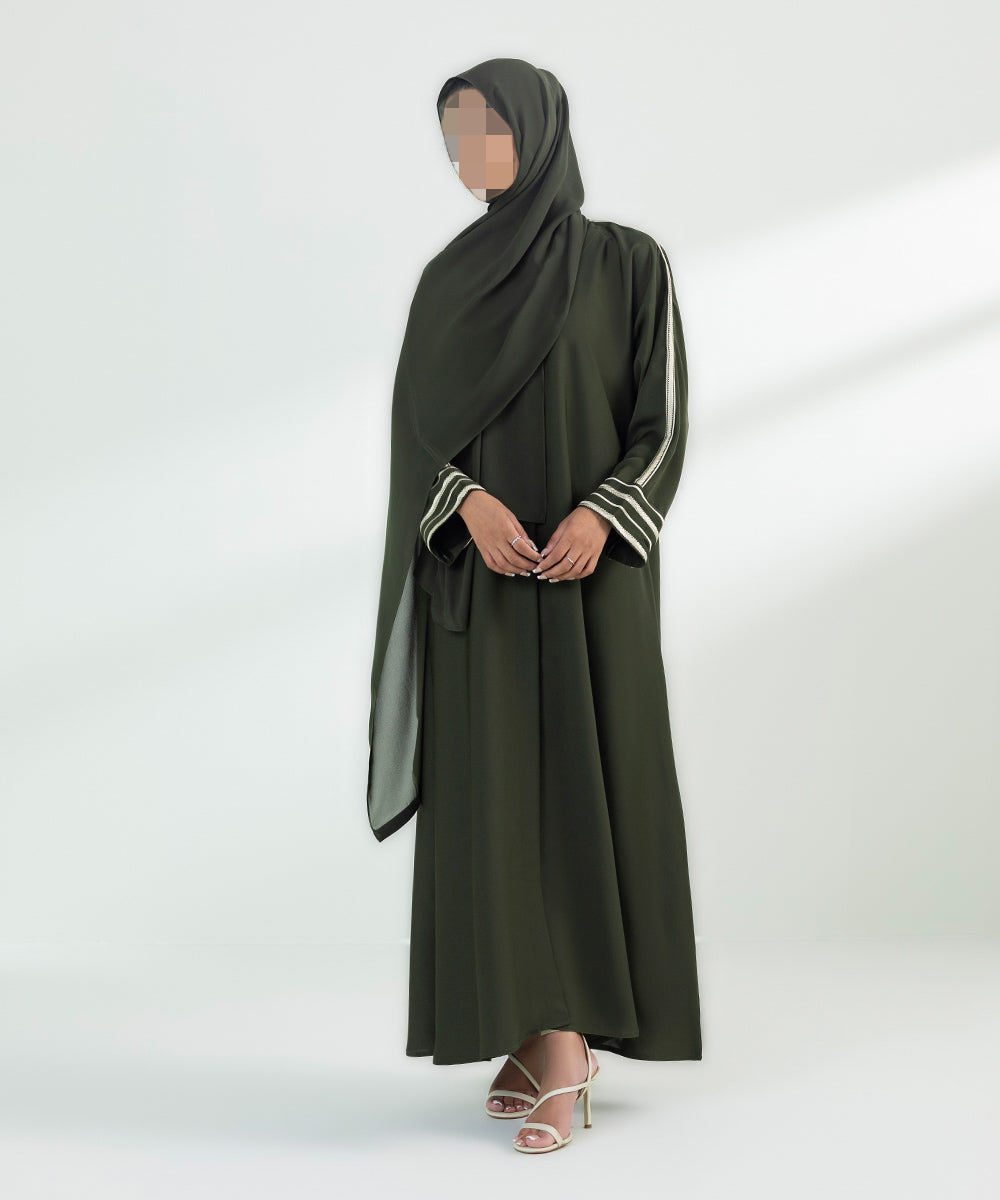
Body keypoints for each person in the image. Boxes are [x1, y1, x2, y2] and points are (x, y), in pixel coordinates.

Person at [366, 57, 701, 1155]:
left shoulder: (627, 264)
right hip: (486, 590)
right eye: (451, 136)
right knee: (500, 805)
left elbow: (661, 421)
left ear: (540, 131)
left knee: (584, 794)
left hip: (591, 584)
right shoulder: (447, 281)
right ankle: (532, 1028)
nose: (464, 155)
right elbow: (416, 435)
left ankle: (568, 1044)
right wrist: (465, 506)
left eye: (482, 131)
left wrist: (605, 515)